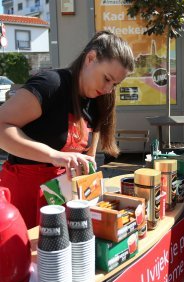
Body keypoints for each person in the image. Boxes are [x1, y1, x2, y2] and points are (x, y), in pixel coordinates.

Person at [0, 31, 135, 229]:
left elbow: (89, 159)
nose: (108, 89)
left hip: (64, 195)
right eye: (107, 79)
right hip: (24, 194)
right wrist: (53, 155)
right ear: (90, 58)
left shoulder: (98, 102)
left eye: (115, 84)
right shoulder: (51, 85)